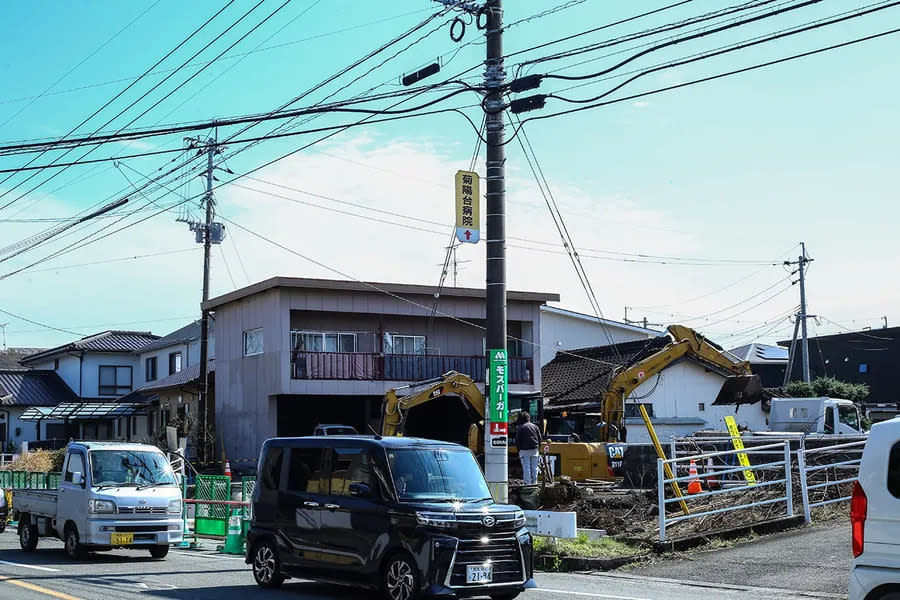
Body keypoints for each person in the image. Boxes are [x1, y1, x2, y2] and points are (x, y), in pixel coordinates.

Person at [515, 412, 541, 485]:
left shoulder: (520, 427)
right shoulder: (535, 426)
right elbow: (539, 438)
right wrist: (538, 447)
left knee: (526, 467)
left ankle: (527, 483)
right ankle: (534, 483)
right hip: (535, 449)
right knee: (534, 467)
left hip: (524, 450)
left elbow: (517, 440)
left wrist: (518, 449)